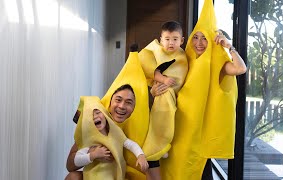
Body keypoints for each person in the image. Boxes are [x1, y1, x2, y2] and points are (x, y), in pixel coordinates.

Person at [151, 0, 246, 179]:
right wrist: (154, 91)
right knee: (172, 170)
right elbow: (162, 84)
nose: (199, 42)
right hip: (176, 127)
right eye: (196, 37)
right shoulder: (183, 58)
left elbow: (240, 69)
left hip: (198, 134)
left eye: (205, 37)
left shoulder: (218, 64)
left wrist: (229, 47)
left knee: (197, 171)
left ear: (212, 40)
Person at [138, 21, 188, 180]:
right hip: (162, 94)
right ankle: (159, 143)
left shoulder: (182, 56)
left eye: (175, 39)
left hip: (176, 96)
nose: (170, 43)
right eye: (167, 39)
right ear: (160, 40)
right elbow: (148, 65)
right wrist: (162, 79)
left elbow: (180, 75)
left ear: (182, 40)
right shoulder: (155, 50)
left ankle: (160, 144)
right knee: (161, 110)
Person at [65, 84, 144, 180]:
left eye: (129, 102)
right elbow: (70, 165)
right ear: (110, 102)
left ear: (135, 106)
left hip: (124, 176)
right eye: (118, 100)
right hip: (97, 175)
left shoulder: (140, 127)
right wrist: (93, 153)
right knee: (73, 177)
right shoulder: (95, 127)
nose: (122, 106)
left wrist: (140, 156)